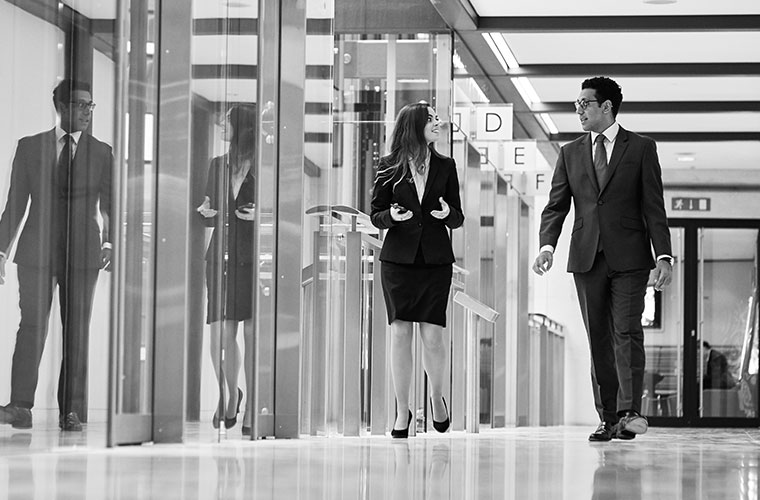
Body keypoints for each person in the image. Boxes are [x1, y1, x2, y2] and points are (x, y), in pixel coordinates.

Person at [532, 76, 673, 442]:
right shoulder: (570, 152)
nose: (578, 109)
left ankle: (629, 412)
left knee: (627, 331)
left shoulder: (641, 148)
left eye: (584, 103)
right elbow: (556, 206)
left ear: (606, 106)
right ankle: (608, 418)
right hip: (586, 257)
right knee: (599, 339)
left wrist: (664, 256)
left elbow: (653, 206)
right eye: (576, 104)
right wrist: (547, 246)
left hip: (630, 256)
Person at [0, 79, 112, 431]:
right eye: (80, 105)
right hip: (36, 251)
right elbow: (15, 203)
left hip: (83, 254)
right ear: (60, 106)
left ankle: (71, 412)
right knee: (31, 326)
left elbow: (110, 205)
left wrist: (109, 241)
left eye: (90, 106)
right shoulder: (30, 147)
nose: (87, 112)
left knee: (76, 331)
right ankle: (20, 406)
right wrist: (1, 250)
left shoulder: (101, 151)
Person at [370, 102, 464, 438]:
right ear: (415, 126)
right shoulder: (388, 166)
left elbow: (458, 216)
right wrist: (390, 219)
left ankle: (436, 398)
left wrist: (444, 214)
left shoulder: (446, 165)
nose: (438, 123)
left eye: (438, 118)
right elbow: (375, 213)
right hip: (398, 262)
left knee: (433, 337)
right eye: (432, 119)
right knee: (399, 334)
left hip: (436, 262)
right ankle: (402, 411)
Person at [197, 104, 257, 435]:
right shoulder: (218, 165)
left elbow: (280, 214)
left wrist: (261, 216)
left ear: (242, 128)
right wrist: (205, 210)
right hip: (219, 255)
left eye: (228, 122)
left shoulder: (264, 166)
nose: (223, 127)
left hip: (252, 258)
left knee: (248, 334)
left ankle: (248, 406)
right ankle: (231, 392)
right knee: (220, 334)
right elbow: (209, 205)